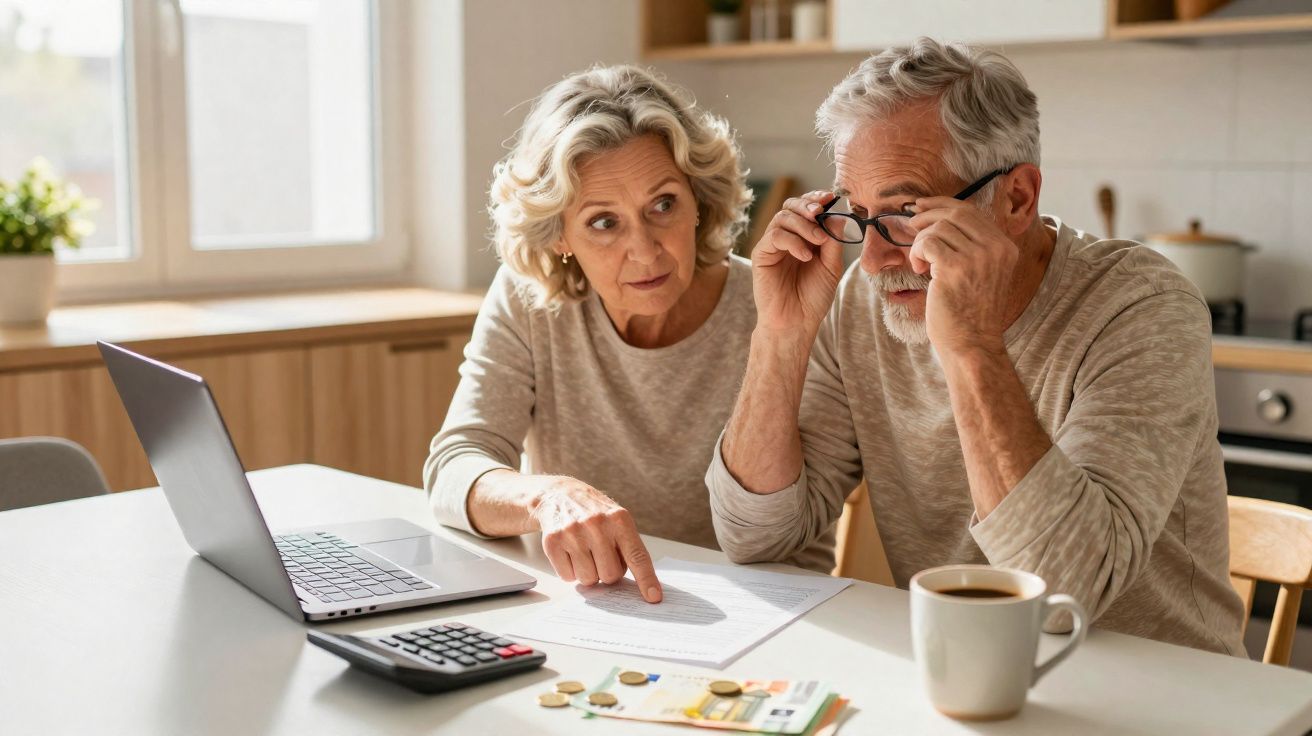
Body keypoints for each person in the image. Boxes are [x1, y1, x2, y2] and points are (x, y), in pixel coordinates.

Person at [706, 38, 1246, 654]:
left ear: (1016, 197)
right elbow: (755, 537)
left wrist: (971, 348)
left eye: (906, 211)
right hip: (968, 672)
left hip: (1166, 693)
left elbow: (1064, 593)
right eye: (858, 214)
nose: (878, 259)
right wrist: (780, 334)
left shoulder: (1142, 307)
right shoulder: (861, 297)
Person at [426, 65, 834, 605]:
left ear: (698, 203)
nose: (644, 251)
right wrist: (547, 496)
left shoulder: (781, 305)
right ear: (559, 236)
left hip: (765, 607)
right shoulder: (529, 301)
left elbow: (792, 540)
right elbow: (455, 467)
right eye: (603, 222)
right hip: (597, 606)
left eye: (662, 205)